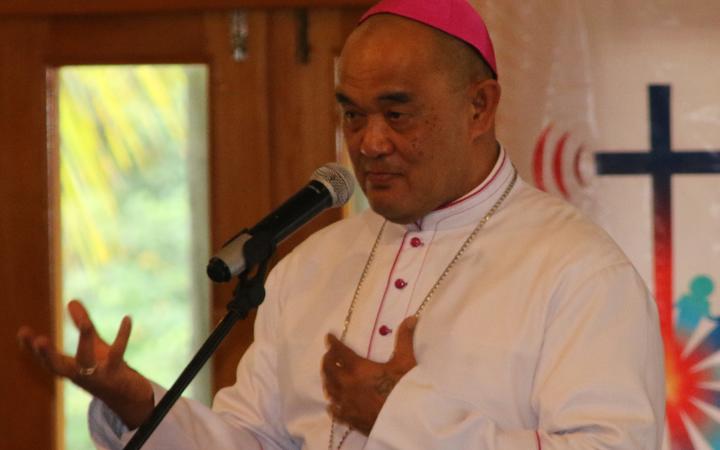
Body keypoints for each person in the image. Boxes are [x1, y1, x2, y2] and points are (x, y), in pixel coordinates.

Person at [18, 0, 665, 448]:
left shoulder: (579, 273)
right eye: (352, 115)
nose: (370, 142)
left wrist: (404, 417)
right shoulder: (310, 267)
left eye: (397, 112)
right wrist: (140, 405)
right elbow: (253, 442)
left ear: (479, 106)